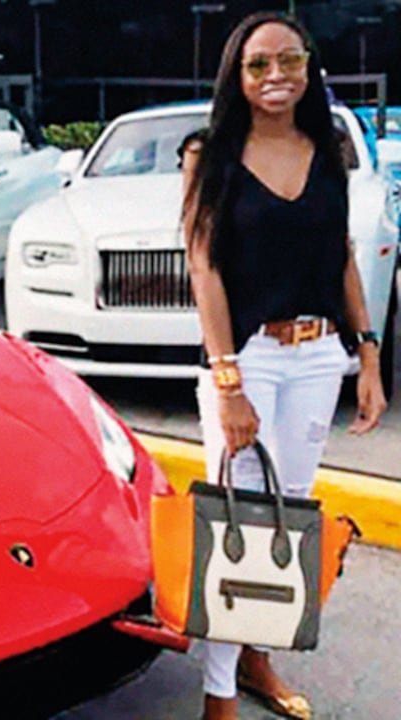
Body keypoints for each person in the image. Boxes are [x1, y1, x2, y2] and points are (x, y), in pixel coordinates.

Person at [180, 12, 387, 720]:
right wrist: (228, 380)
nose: (275, 76)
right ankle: (218, 695)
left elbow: (343, 258)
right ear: (237, 76)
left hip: (317, 357)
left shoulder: (326, 148)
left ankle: (256, 659)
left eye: (288, 61)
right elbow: (204, 268)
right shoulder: (209, 153)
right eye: (258, 64)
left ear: (308, 67)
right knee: (235, 522)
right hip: (249, 359)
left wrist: (368, 355)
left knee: (286, 521)